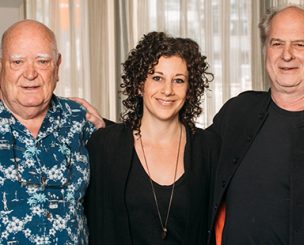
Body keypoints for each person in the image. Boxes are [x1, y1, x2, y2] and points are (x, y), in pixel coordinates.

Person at [85, 31, 219, 244]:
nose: (167, 90)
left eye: (178, 80)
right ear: (140, 84)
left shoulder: (209, 150)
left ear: (189, 89)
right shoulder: (104, 146)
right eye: (157, 78)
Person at [207, 4, 304, 245]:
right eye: (277, 43)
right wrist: (112, 130)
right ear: (265, 50)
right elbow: (185, 151)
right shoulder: (238, 111)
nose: (287, 54)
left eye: (299, 44)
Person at [0, 20, 104, 244]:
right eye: (17, 62)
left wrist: (106, 133)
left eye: (42, 61)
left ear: (57, 65)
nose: (30, 73)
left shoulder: (80, 119)